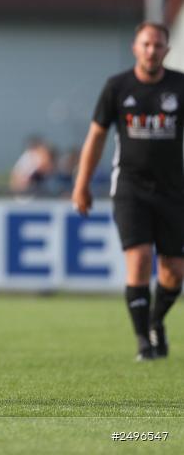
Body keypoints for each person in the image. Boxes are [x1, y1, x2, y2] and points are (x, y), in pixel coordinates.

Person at [72, 22, 184, 361]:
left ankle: (155, 321)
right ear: (135, 48)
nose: (152, 50)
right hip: (131, 189)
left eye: (158, 45)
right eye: (146, 44)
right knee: (138, 260)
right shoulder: (117, 87)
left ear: (166, 50)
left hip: (173, 191)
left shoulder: (180, 87)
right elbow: (96, 138)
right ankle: (143, 344)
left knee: (174, 270)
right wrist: (82, 184)